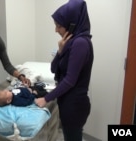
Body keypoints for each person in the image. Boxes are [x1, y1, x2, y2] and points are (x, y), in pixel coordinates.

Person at [35, 0, 94, 141]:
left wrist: (46, 99)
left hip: (74, 106)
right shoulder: (70, 44)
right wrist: (60, 52)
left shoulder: (80, 44)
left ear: (72, 25)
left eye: (59, 26)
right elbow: (53, 69)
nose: (56, 30)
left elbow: (69, 80)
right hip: (68, 103)